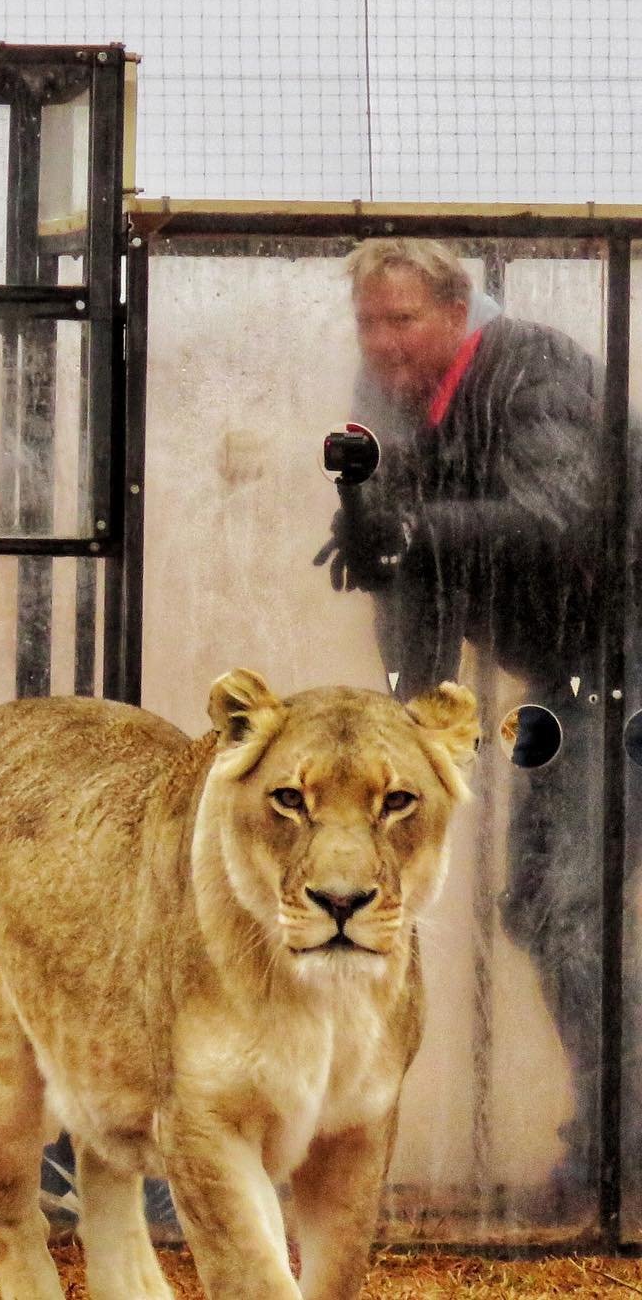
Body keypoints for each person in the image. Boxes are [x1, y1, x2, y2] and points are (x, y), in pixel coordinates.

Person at [318, 236, 637, 1198]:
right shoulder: (390, 400)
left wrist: (413, 533)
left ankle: (615, 1166)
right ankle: (614, 1152)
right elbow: (412, 572)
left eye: (402, 319)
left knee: (571, 911)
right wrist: (404, 718)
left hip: (624, 670)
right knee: (544, 908)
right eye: (369, 321)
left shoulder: (533, 370)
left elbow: (560, 517)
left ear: (458, 312)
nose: (381, 341)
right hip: (580, 677)